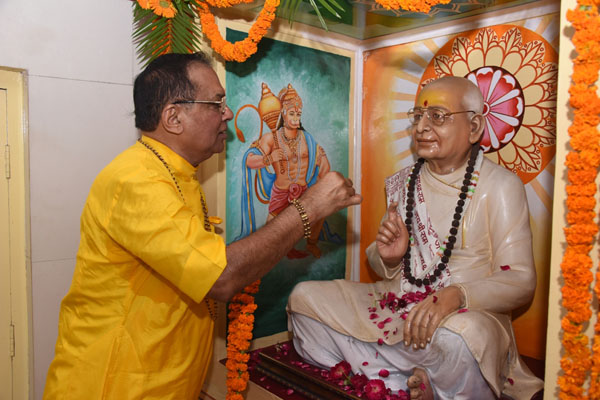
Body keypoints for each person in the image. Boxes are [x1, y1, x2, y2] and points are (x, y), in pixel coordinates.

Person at [43, 52, 361, 400]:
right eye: (216, 103)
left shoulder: (175, 174)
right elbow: (220, 276)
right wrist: (310, 208)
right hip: (116, 386)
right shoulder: (138, 180)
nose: (228, 113)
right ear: (173, 118)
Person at [287, 76, 543, 400]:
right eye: (417, 116)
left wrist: (456, 295)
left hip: (458, 316)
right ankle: (411, 378)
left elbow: (520, 279)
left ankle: (407, 372)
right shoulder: (405, 182)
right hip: (397, 302)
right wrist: (390, 257)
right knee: (303, 298)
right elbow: (384, 266)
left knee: (466, 337)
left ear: (474, 127)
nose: (421, 127)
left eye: (437, 116)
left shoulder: (500, 186)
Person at [239, 83, 331, 258]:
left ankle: (311, 244)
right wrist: (269, 158)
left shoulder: (308, 140)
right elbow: (249, 161)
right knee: (271, 233)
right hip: (281, 193)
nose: (296, 118)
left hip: (304, 191)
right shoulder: (270, 139)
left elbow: (324, 165)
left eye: (298, 114)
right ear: (283, 113)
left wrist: (318, 188)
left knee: (318, 215)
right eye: (292, 114)